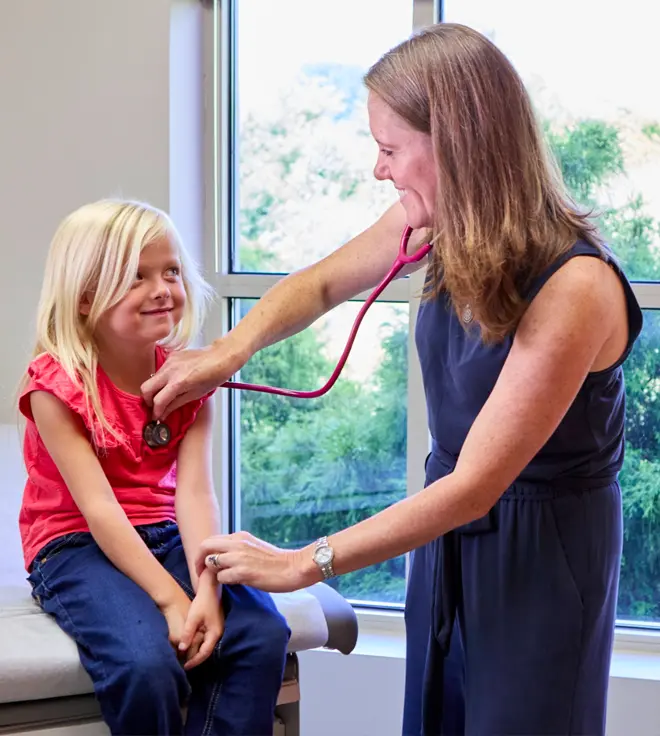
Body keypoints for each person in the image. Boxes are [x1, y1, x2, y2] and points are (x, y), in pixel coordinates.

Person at [142, 23, 643, 736]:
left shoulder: (576, 287)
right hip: (445, 532)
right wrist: (223, 355)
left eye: (389, 150)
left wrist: (303, 563)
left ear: (459, 147)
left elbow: (476, 484)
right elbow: (318, 286)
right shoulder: (439, 223)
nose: (379, 170)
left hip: (542, 552)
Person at [18, 199, 289, 736]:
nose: (162, 288)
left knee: (259, 634)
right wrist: (171, 599)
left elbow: (194, 496)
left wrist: (206, 590)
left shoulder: (192, 377)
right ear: (85, 298)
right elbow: (98, 510)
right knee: (144, 662)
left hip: (164, 532)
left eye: (170, 271)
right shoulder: (56, 386)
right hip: (74, 544)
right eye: (135, 277)